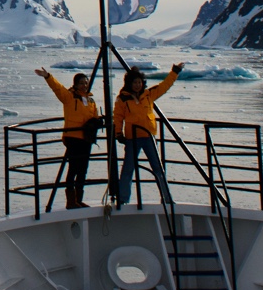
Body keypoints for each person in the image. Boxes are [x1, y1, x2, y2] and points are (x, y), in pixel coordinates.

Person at [112, 63, 183, 207]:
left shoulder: (149, 94)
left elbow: (164, 85)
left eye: (139, 82)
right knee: (128, 169)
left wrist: (175, 72)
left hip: (149, 137)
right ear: (129, 83)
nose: (137, 85)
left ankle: (166, 198)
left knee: (158, 168)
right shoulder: (123, 99)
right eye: (135, 82)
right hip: (132, 138)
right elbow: (118, 117)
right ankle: (123, 197)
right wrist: (118, 133)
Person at [34, 68, 102, 208]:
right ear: (76, 84)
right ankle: (71, 200)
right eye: (82, 83)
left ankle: (78, 198)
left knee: (83, 169)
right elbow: (57, 88)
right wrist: (48, 76)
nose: (84, 85)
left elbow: (94, 116)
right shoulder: (70, 97)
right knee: (73, 168)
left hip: (86, 138)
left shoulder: (91, 101)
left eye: (86, 82)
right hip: (73, 137)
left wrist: (97, 121)